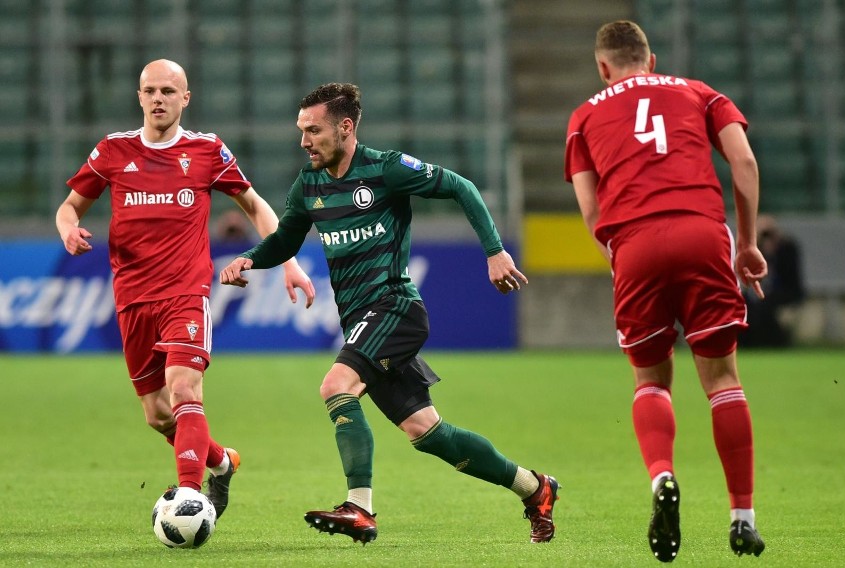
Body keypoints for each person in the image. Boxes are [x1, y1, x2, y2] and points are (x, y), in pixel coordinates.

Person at [219, 82, 559, 545]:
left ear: (346, 127)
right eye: (301, 131)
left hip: (395, 309)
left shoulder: (387, 169)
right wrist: (251, 259)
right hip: (362, 322)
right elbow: (286, 239)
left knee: (336, 386)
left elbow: (461, 186)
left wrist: (495, 252)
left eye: (313, 130)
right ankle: (535, 488)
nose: (304, 141)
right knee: (428, 433)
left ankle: (359, 507)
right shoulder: (310, 184)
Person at [56, 59, 316, 521]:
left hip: (186, 293)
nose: (158, 99)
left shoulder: (206, 151)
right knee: (158, 415)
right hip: (132, 297)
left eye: (168, 91)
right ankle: (221, 461)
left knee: (184, 388)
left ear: (185, 99)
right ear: (139, 96)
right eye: (150, 90)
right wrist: (69, 229)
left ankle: (191, 497)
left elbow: (255, 206)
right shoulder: (113, 151)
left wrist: (288, 262)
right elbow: (69, 207)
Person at [564, 21, 767, 561]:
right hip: (703, 233)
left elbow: (590, 208)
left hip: (635, 243)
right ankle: (742, 518)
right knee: (723, 379)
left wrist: (621, 257)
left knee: (650, 379)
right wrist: (745, 243)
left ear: (603, 67)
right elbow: (744, 161)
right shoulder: (699, 92)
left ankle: (661, 478)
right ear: (651, 59)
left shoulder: (584, 115)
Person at [739, 214, 805, 348]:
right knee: (746, 305)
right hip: (758, 293)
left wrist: (773, 250)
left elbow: (792, 280)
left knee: (766, 306)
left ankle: (775, 342)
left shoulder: (787, 249)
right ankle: (746, 343)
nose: (766, 238)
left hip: (782, 292)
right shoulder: (751, 251)